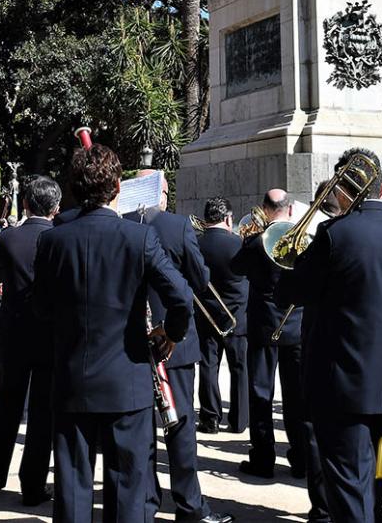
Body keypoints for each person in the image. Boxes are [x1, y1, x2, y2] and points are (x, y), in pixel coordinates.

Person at [34, 144, 193, 523]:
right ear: (117, 187)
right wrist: (169, 334)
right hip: (128, 380)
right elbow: (182, 298)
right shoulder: (137, 238)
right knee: (128, 491)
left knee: (72, 489)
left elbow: (40, 310)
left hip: (72, 377)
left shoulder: (53, 240)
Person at [278, 148, 382, 523]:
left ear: (342, 190)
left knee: (352, 492)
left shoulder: (334, 235)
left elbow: (291, 293)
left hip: (344, 387)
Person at [123, 169, 229, 523]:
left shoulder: (119, 223)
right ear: (163, 194)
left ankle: (146, 505)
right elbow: (200, 280)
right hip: (175, 342)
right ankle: (190, 507)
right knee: (181, 428)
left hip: (131, 342)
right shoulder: (178, 226)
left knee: (142, 432)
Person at [0, 175, 60, 506]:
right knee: (42, 416)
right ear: (55, 208)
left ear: (24, 203)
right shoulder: (60, 239)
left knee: (5, 411)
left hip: (13, 335)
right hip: (49, 337)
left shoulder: (8, 238)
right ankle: (32, 486)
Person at [230, 189, 306, 479]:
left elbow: (235, 267)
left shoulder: (255, 242)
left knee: (261, 393)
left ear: (264, 208)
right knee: (296, 396)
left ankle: (263, 459)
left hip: (264, 327)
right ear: (289, 210)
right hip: (295, 326)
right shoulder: (303, 242)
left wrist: (251, 237)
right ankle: (301, 459)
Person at [194, 196, 249, 435]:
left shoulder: (195, 243)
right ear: (228, 218)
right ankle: (238, 421)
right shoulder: (239, 243)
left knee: (208, 365)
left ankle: (210, 418)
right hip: (237, 315)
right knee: (239, 368)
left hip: (206, 315)